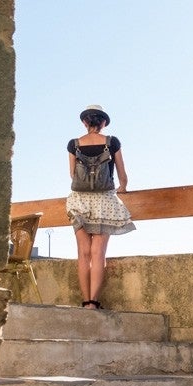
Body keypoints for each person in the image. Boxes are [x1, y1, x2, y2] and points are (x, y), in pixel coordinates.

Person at [66, 105, 134, 309]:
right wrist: (122, 187)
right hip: (104, 201)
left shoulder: (74, 144)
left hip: (79, 200)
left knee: (83, 253)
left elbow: (72, 175)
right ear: (103, 123)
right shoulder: (112, 142)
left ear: (85, 122)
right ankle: (93, 303)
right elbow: (122, 174)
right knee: (98, 254)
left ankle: (84, 300)